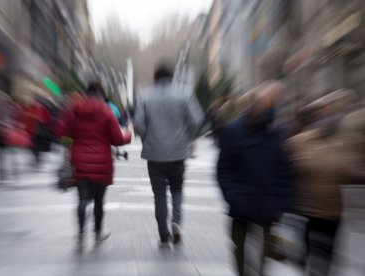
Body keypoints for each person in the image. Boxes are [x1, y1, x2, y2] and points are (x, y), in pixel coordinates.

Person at [217, 81, 294, 276]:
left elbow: (283, 170)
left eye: (271, 102)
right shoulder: (233, 131)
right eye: (263, 100)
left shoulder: (276, 134)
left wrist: (282, 203)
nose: (266, 105)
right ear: (254, 102)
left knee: (265, 257)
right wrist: (233, 197)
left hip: (268, 208)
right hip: (241, 205)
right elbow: (224, 170)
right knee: (240, 252)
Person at [287, 90, 359, 276]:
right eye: (326, 112)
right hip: (305, 210)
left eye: (335, 111)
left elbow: (355, 171)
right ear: (316, 116)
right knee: (304, 257)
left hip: (333, 212)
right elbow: (284, 171)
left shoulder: (348, 143)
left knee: (326, 260)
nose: (331, 116)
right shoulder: (299, 142)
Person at [134, 63, 204, 246]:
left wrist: (146, 137)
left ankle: (163, 233)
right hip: (178, 152)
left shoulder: (144, 95)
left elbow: (138, 125)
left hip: (154, 153)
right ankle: (176, 222)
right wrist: (187, 135)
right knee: (177, 189)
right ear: (172, 77)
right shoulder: (185, 94)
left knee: (159, 195)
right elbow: (197, 120)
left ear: (155, 77)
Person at [57, 80, 132, 242]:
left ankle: (81, 231)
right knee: (99, 200)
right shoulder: (106, 110)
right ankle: (98, 231)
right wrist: (128, 134)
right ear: (101, 94)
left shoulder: (75, 109)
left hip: (79, 159)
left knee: (82, 198)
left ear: (86, 93)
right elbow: (117, 139)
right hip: (102, 161)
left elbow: (63, 132)